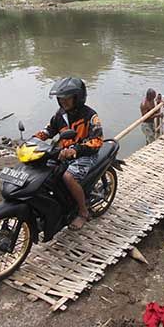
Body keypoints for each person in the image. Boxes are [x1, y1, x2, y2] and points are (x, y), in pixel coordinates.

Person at [34, 77, 103, 230]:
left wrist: (75, 149)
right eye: (60, 98)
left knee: (68, 176)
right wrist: (32, 140)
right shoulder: (60, 115)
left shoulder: (90, 116)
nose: (63, 101)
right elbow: (48, 130)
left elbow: (97, 141)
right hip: (63, 153)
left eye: (67, 98)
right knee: (44, 172)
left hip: (85, 155)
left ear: (77, 98)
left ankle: (83, 212)